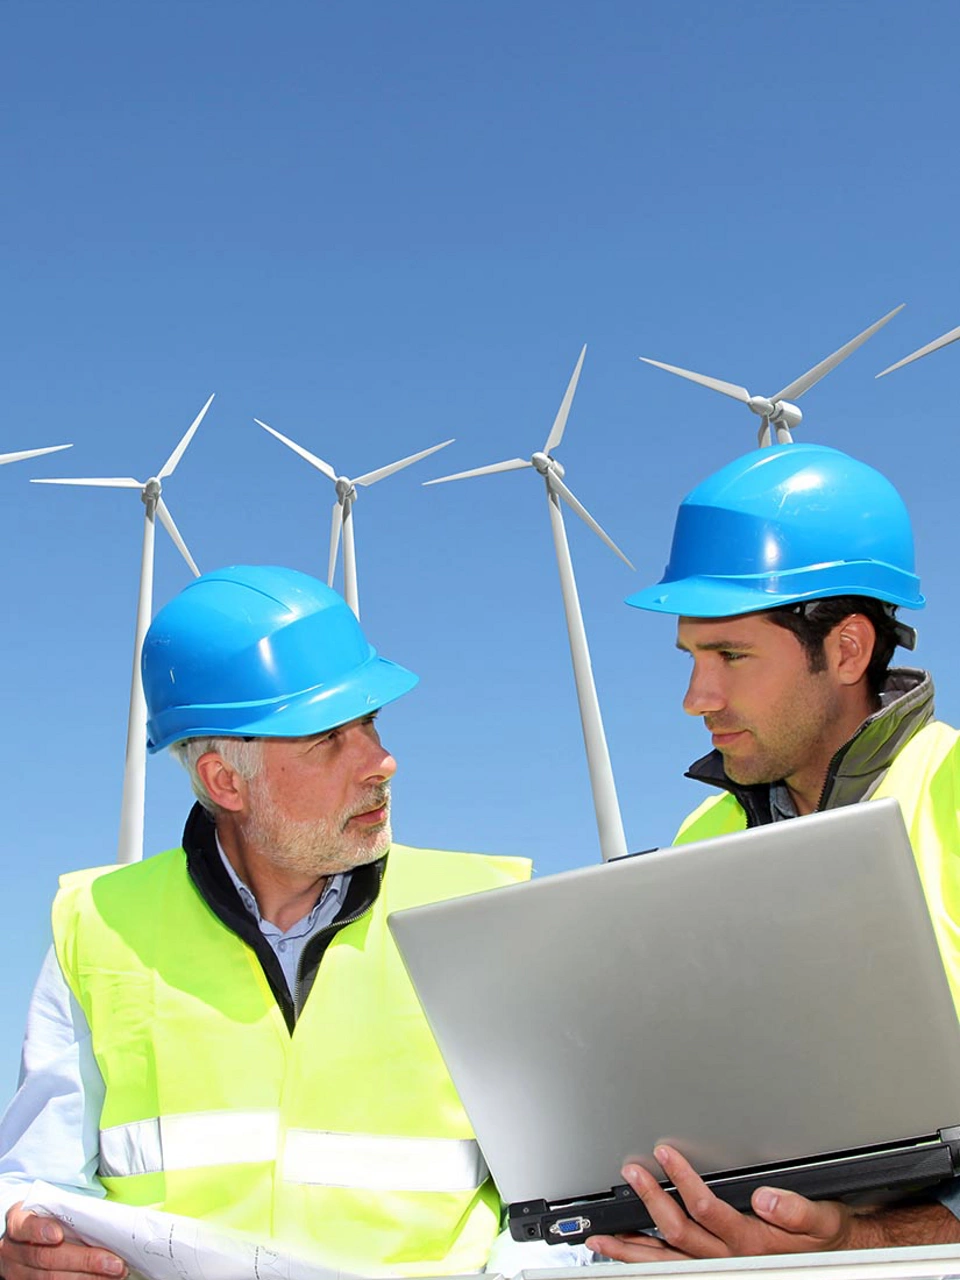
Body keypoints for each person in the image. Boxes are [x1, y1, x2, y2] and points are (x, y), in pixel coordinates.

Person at [0, 565, 533, 1280]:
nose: (381, 762)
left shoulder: (484, 913)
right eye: (329, 738)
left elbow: (560, 1201)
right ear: (225, 781)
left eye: (371, 723)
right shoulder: (96, 926)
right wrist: (23, 1244)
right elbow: (40, 1181)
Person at [588, 442, 960, 1263]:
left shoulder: (953, 794)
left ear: (848, 650)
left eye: (730, 655)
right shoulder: (701, 836)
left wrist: (866, 1240)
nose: (696, 699)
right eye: (692, 657)